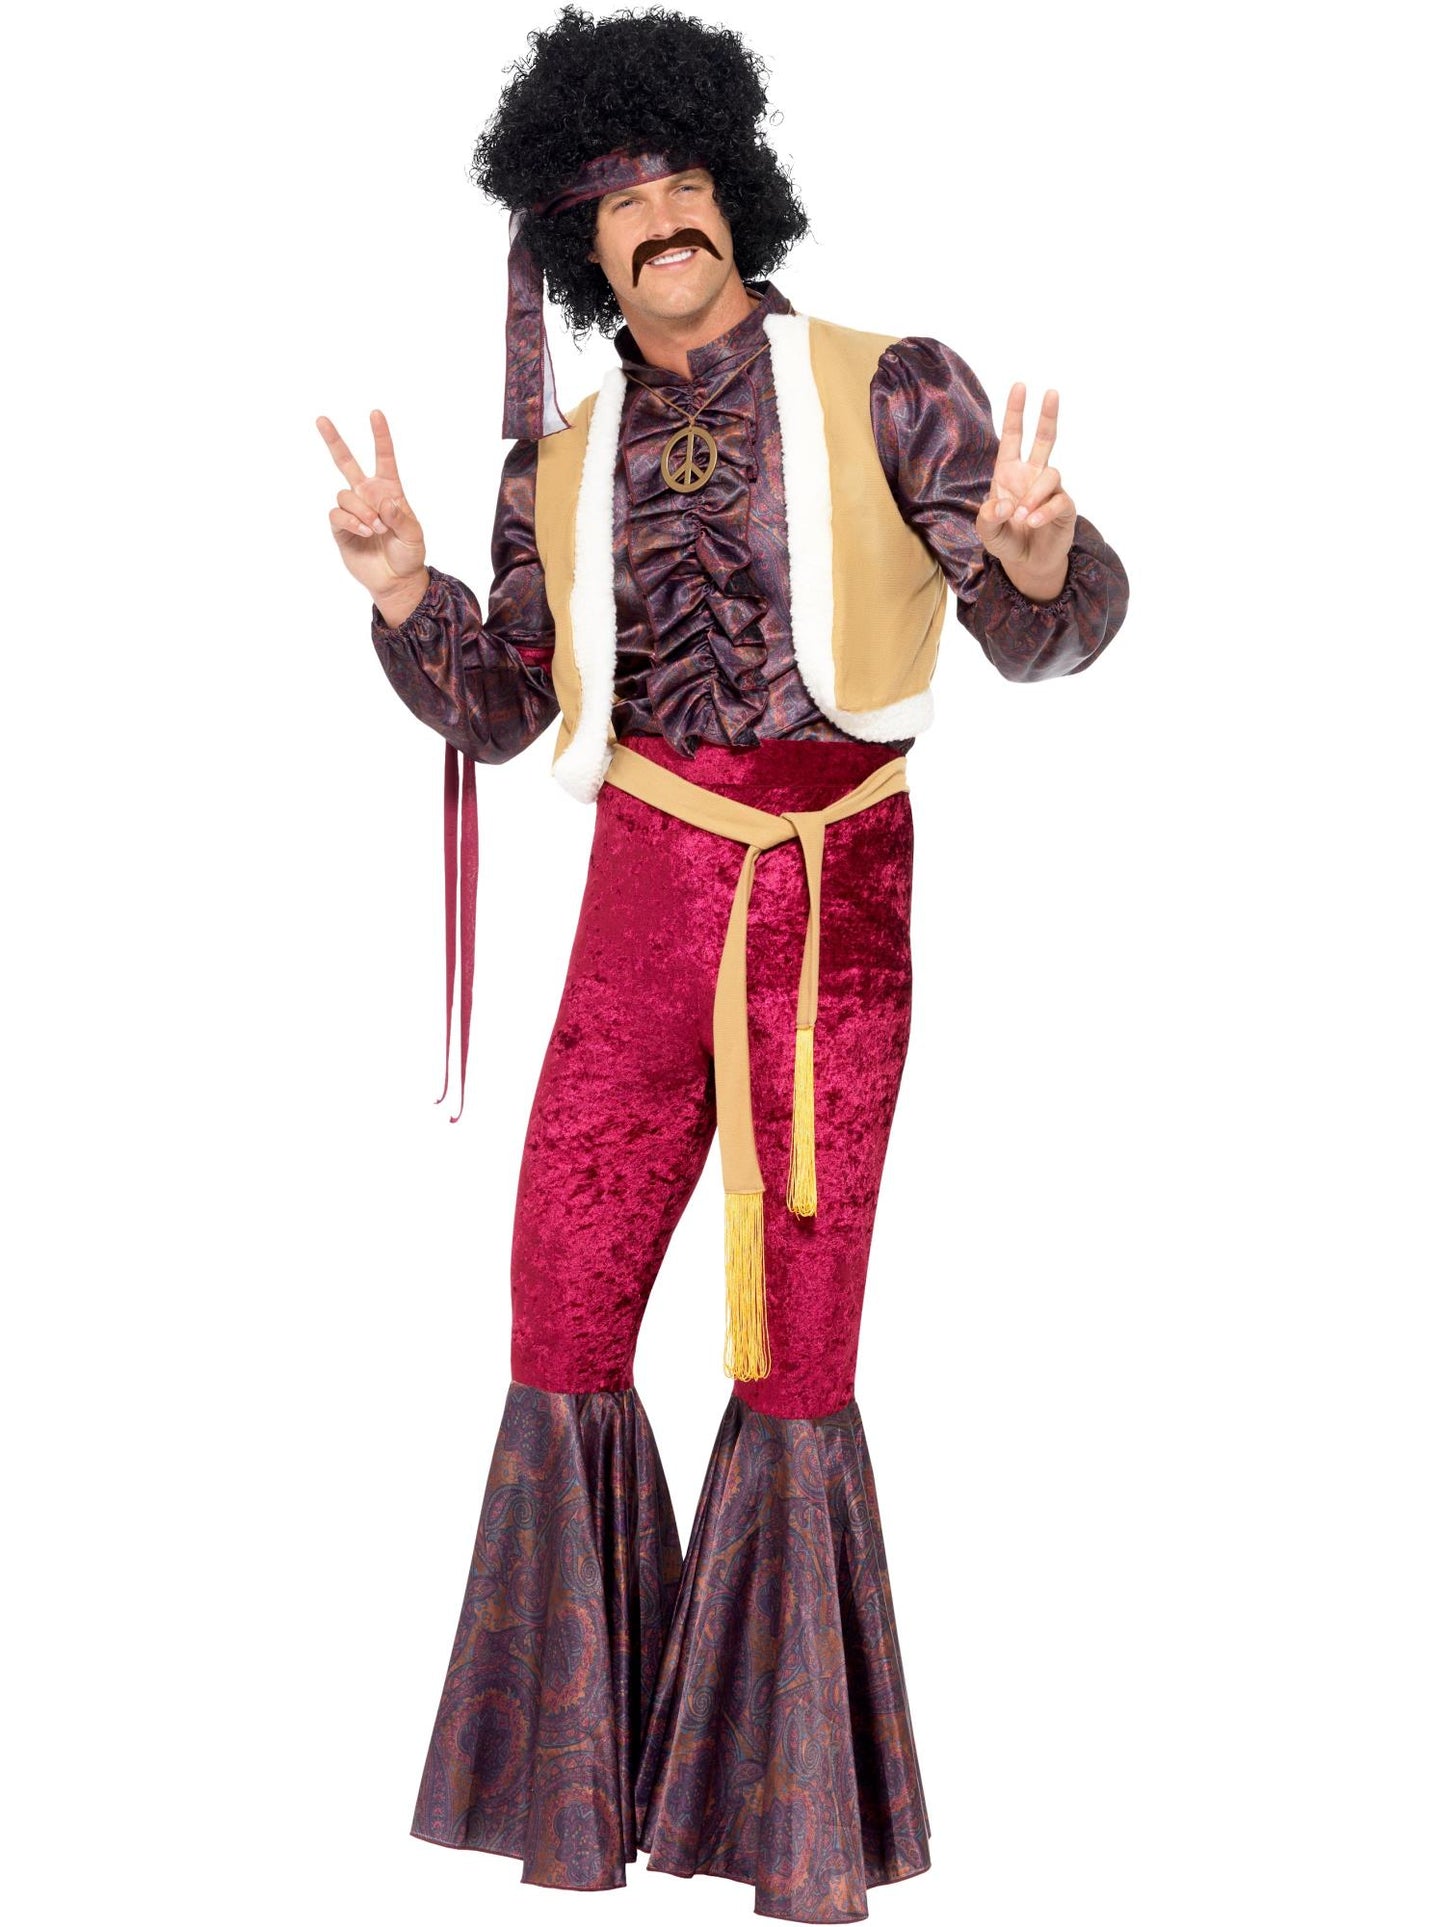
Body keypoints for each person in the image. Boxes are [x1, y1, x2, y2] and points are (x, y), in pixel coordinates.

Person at [316, 7, 1129, 1920]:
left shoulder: (892, 388)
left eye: (684, 181)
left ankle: (783, 1822)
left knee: (799, 1334)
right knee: (560, 1301)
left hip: (832, 904)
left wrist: (1030, 559)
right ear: (579, 247)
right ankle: (576, 1794)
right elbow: (503, 708)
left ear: (734, 196)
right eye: (621, 199)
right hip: (640, 892)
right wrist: (407, 594)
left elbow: (1052, 634)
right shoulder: (558, 462)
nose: (662, 215)